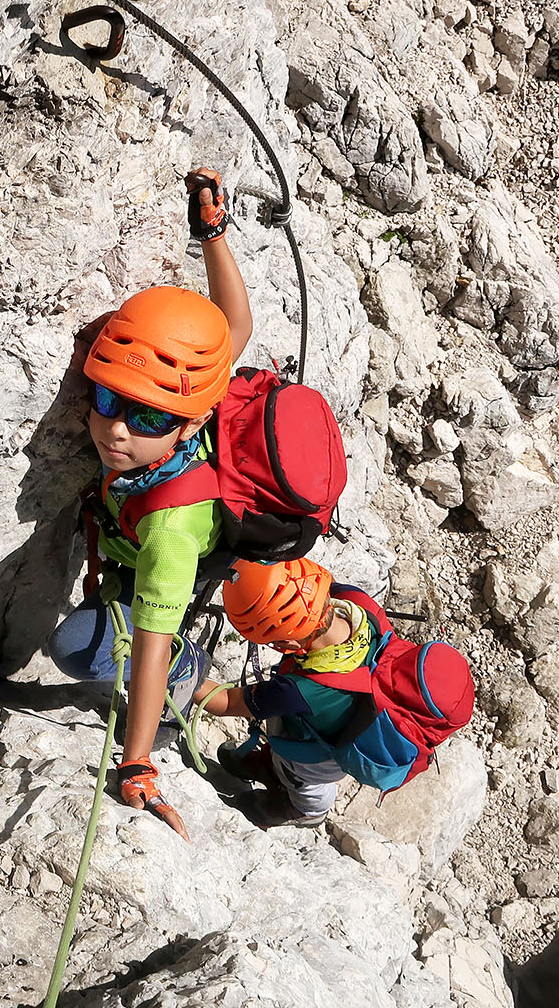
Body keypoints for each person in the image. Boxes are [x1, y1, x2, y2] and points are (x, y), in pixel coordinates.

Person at [46, 169, 253, 840]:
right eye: (105, 400)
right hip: (141, 529)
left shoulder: (170, 536)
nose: (115, 430)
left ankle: (193, 683)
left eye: (142, 418)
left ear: (187, 426)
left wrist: (136, 760)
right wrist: (212, 234)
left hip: (155, 561)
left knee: (77, 647)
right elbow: (234, 328)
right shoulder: (193, 402)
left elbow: (152, 641)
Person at [195, 557, 368, 828]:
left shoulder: (301, 690)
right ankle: (272, 766)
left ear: (288, 641)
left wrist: (176, 668)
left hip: (317, 759)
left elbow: (224, 702)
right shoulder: (357, 604)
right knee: (288, 741)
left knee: (303, 778)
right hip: (333, 724)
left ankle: (305, 810)